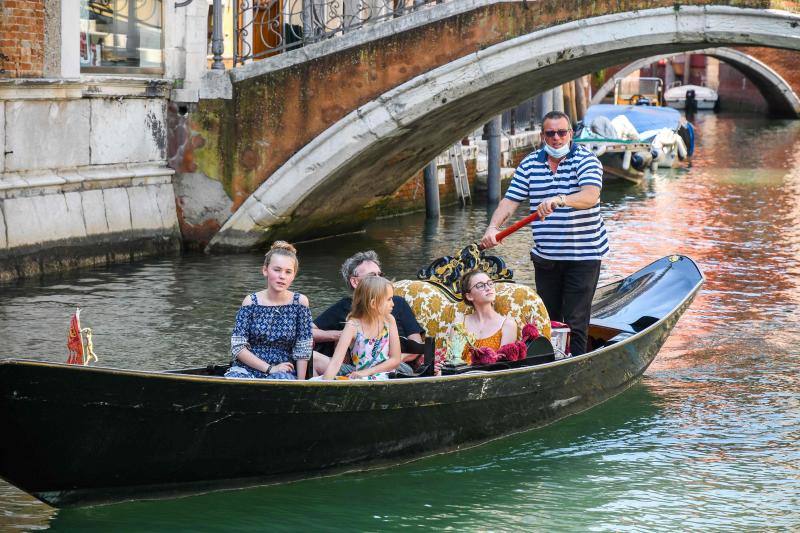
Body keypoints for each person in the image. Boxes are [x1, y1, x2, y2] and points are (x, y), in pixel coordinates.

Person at [480, 110, 608, 356]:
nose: (556, 138)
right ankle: (551, 362)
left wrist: (560, 199)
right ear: (542, 136)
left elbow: (590, 196)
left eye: (561, 132)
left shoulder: (587, 160)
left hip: (583, 255)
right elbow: (509, 201)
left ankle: (577, 364)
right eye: (551, 133)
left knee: (576, 318)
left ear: (570, 134)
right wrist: (493, 227)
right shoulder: (530, 164)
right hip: (546, 256)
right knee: (546, 316)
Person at [313, 251, 424, 372]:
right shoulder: (345, 307)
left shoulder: (397, 304)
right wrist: (339, 335)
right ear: (355, 282)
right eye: (372, 276)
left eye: (380, 275)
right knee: (312, 357)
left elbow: (416, 344)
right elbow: (308, 331)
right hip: (356, 369)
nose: (378, 280)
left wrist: (389, 361)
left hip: (393, 367)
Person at [225, 241, 312, 379]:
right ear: (265, 270)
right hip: (247, 368)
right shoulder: (250, 302)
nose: (282, 276)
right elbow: (238, 346)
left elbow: (303, 348)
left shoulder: (300, 302)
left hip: (283, 369)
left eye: (288, 272)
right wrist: (270, 368)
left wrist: (300, 384)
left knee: (282, 380)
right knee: (235, 379)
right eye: (277, 270)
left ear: (293, 275)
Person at [322, 276, 402, 380]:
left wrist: (366, 372)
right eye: (389, 299)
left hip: (384, 374)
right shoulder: (352, 325)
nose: (393, 304)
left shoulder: (389, 320)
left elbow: (395, 359)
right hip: (359, 376)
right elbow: (336, 362)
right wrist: (326, 384)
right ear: (373, 303)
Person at [455, 270, 517, 362]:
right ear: (469, 296)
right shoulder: (460, 322)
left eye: (490, 283)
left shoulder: (507, 325)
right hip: (460, 375)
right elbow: (452, 359)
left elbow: (503, 366)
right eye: (480, 285)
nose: (488, 288)